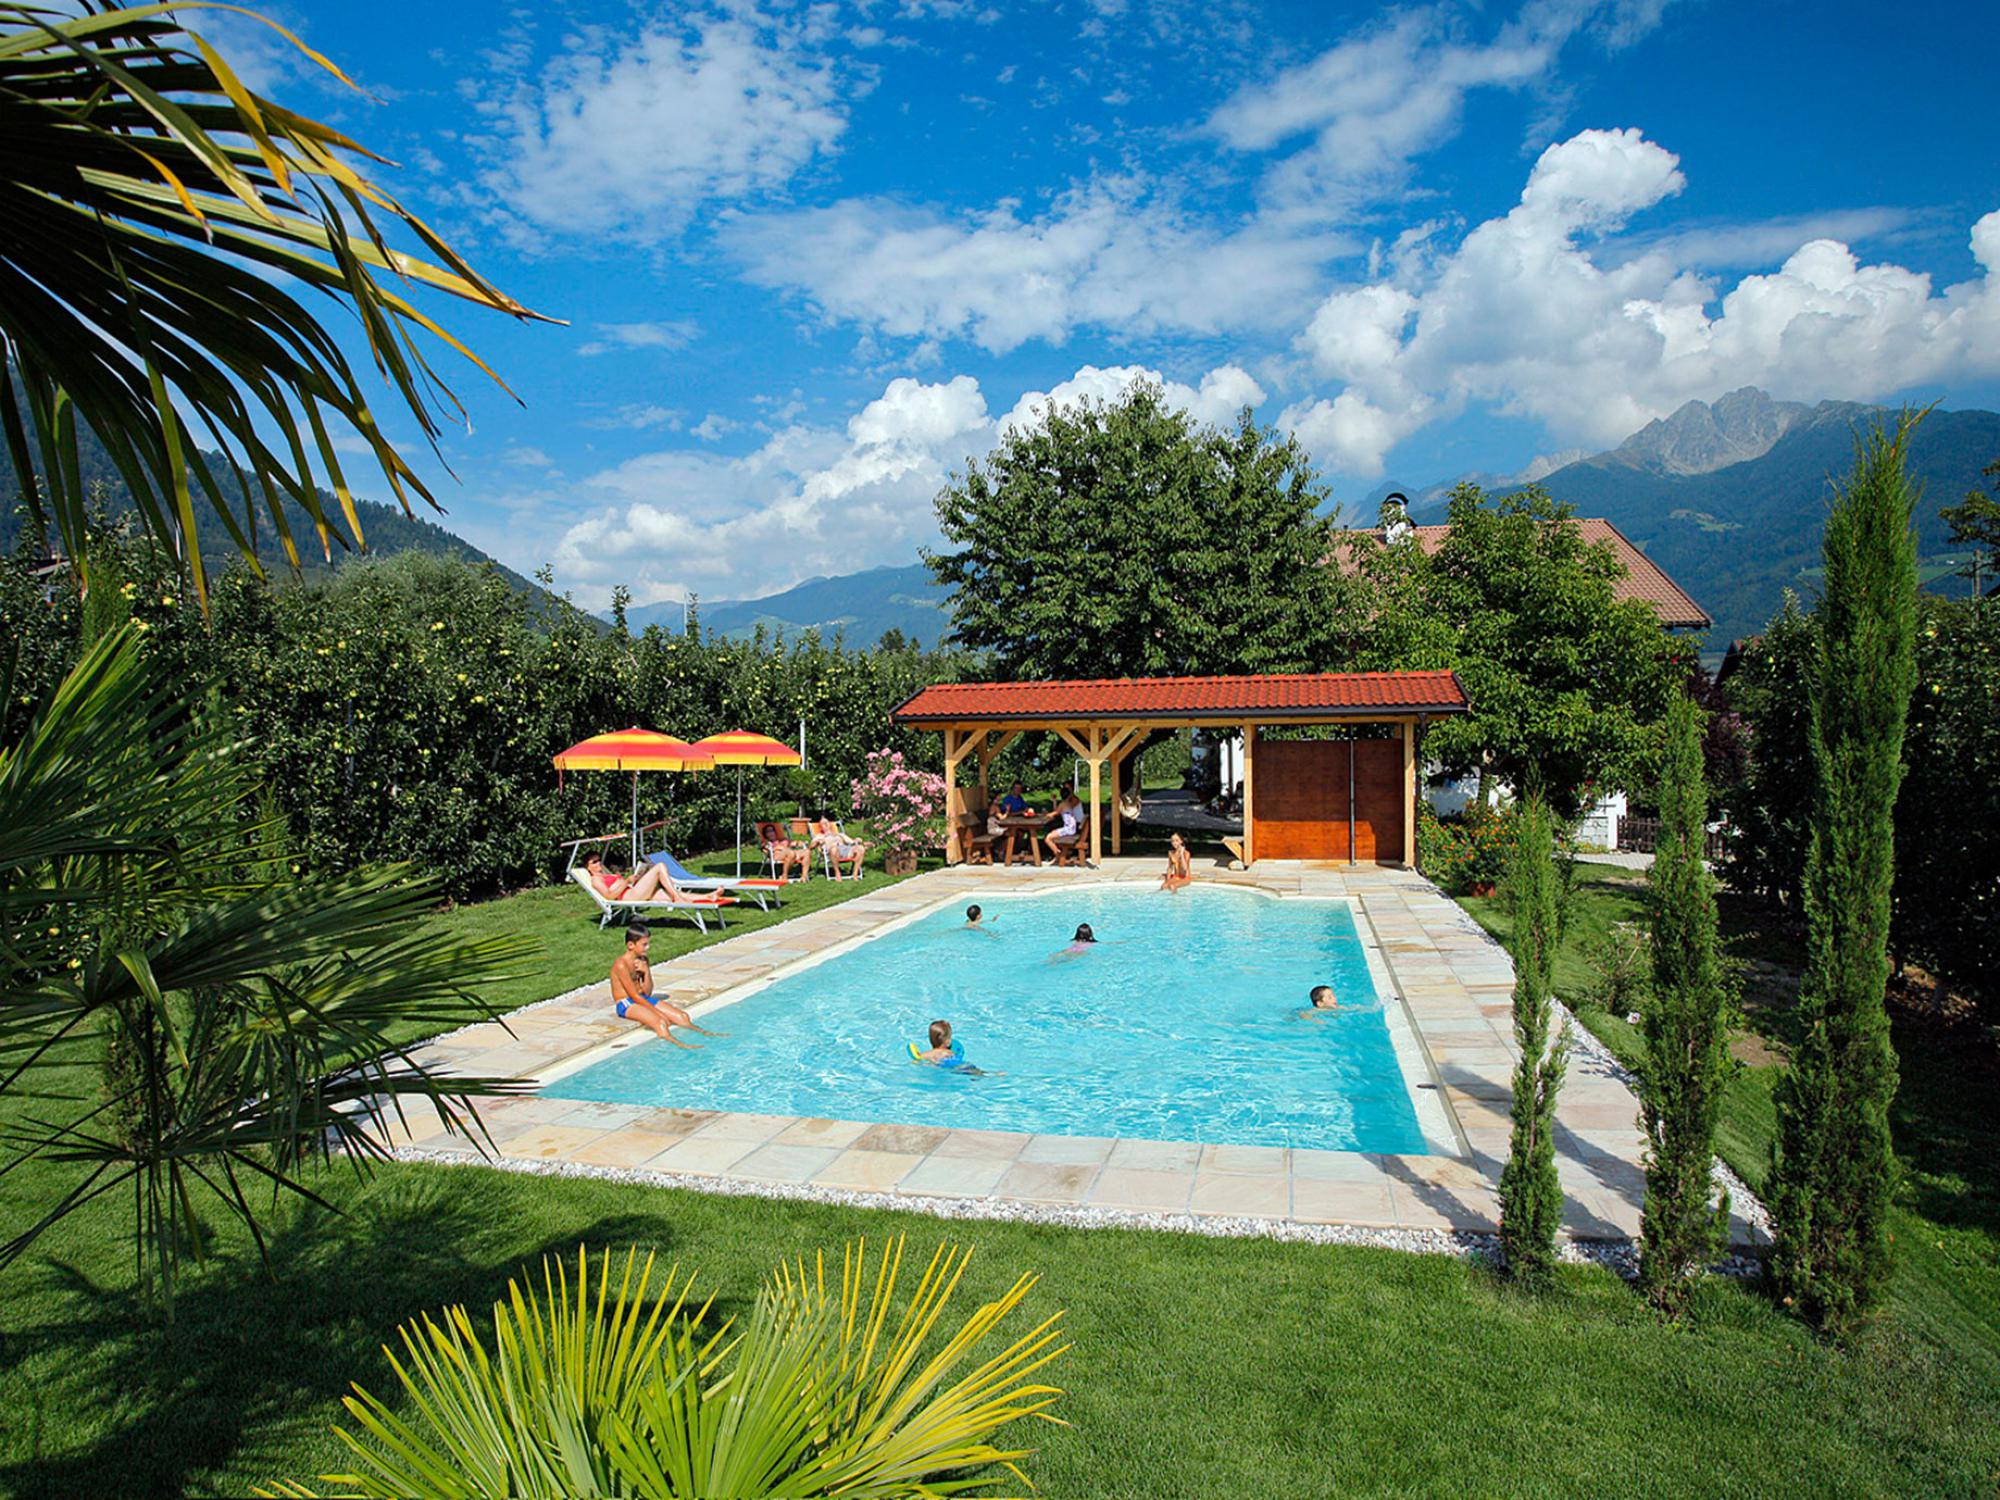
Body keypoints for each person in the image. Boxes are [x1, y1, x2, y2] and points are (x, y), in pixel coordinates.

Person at [609, 925, 722, 1046]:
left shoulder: (642, 960)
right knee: (661, 1022)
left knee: (682, 1016)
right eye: (644, 944)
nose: (648, 947)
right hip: (626, 1003)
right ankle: (681, 1046)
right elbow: (633, 995)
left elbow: (647, 992)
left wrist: (646, 971)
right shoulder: (621, 965)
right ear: (631, 945)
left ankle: (706, 1035)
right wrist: (658, 1013)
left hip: (642, 998)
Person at [586, 851, 683, 904]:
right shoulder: (596, 880)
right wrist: (627, 881)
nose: (598, 863)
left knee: (676, 895)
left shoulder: (605, 874)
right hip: (630, 896)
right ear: (587, 867)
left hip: (634, 891)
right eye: (594, 862)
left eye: (599, 860)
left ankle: (681, 898)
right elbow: (609, 896)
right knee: (660, 866)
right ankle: (677, 898)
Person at [910, 1018, 988, 1075]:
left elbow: (918, 1059)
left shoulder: (926, 1054)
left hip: (933, 1067)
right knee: (973, 1070)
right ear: (948, 1042)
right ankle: (988, 1074)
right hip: (951, 1067)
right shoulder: (948, 1053)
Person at [811, 814, 868, 880]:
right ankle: (837, 873)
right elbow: (811, 846)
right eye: (824, 823)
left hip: (846, 850)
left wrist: (857, 840)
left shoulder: (840, 834)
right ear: (821, 827)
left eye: (827, 822)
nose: (826, 824)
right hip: (832, 852)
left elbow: (852, 842)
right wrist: (817, 842)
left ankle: (855, 874)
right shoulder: (820, 836)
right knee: (834, 849)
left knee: (861, 848)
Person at [1043, 792, 1086, 864]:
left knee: (1048, 838)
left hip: (1068, 829)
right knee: (1053, 832)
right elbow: (1057, 811)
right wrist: (1054, 801)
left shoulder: (1063, 804)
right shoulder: (1070, 803)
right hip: (1072, 828)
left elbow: (1054, 813)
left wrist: (1045, 814)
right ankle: (1059, 853)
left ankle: (1058, 856)